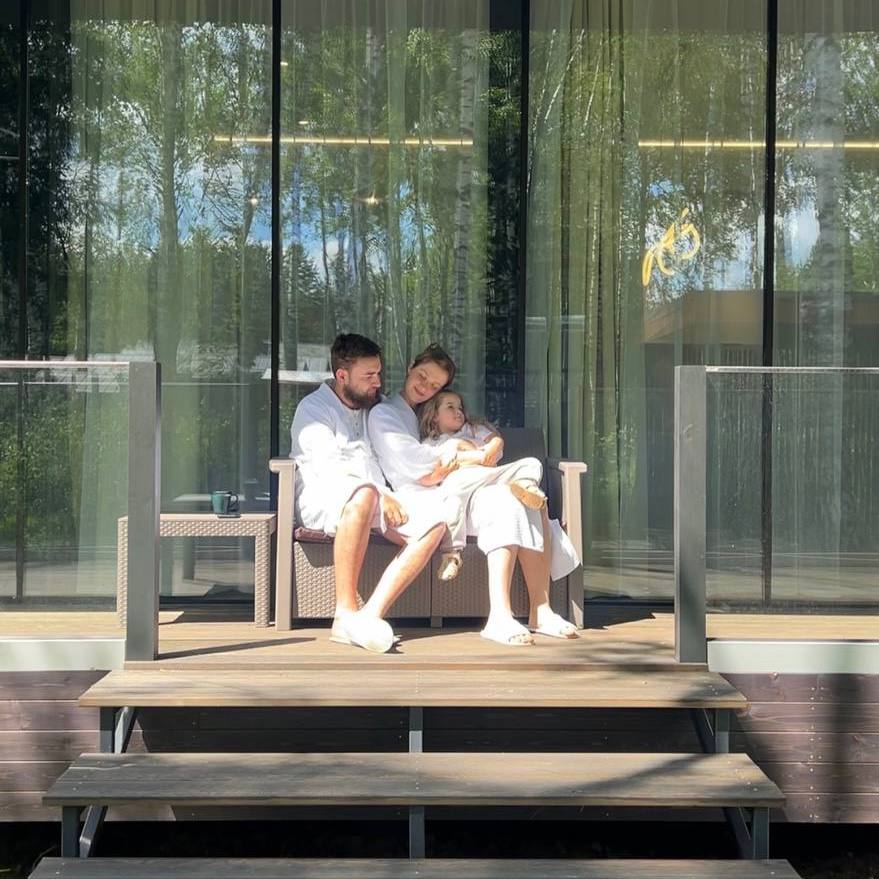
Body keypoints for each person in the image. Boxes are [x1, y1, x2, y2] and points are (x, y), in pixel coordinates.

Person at [367, 343, 579, 647]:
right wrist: (476, 456)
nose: (425, 387)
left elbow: (480, 442)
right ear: (410, 366)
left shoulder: (442, 419)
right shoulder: (385, 414)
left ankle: (540, 610)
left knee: (520, 498)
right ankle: (501, 616)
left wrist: (492, 444)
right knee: (507, 499)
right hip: (428, 499)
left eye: (435, 385)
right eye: (423, 376)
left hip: (464, 489)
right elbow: (420, 468)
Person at [289, 333, 446, 654]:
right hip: (327, 499)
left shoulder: (373, 405)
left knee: (435, 525)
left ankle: (370, 613)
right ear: (342, 376)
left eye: (379, 373)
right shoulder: (314, 409)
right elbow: (329, 470)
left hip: (379, 500)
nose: (377, 382)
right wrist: (378, 494)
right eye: (369, 376)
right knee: (362, 494)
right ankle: (344, 613)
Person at [418, 389, 547, 582]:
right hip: (462, 481)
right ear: (434, 416)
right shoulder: (430, 443)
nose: (458, 412)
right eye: (450, 407)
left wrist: (493, 445)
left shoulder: (472, 429)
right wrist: (477, 454)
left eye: (460, 408)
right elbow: (441, 465)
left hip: (490, 476)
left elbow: (495, 446)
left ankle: (526, 486)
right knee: (452, 499)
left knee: (531, 463)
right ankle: (451, 554)